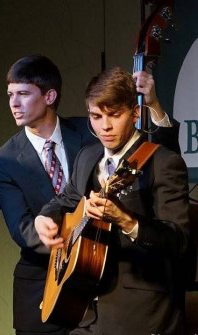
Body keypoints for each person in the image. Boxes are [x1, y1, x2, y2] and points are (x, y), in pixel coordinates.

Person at [0, 54, 180, 334]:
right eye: (10, 95)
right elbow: (26, 226)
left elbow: (155, 157)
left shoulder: (91, 132)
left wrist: (153, 105)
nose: (13, 103)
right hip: (46, 282)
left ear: (49, 96)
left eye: (23, 94)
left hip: (115, 289)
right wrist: (51, 226)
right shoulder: (3, 160)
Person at [34, 67, 191, 335]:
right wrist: (45, 218)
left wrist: (125, 220)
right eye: (96, 116)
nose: (104, 126)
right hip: (87, 308)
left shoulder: (163, 162)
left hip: (142, 312)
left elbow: (179, 241)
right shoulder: (87, 156)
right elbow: (67, 199)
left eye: (115, 115)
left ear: (136, 113)